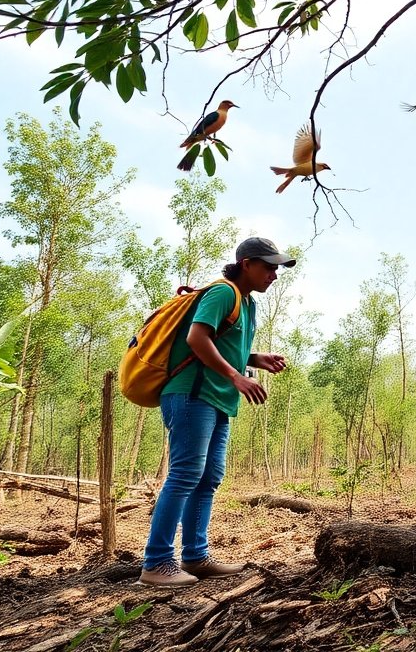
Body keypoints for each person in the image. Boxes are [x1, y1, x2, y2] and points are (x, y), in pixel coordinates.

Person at [139, 237, 293, 587]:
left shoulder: (247, 304)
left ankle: (195, 557)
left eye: (277, 268)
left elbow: (223, 342)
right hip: (193, 394)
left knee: (208, 479)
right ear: (246, 264)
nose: (274, 274)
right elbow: (196, 339)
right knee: (184, 475)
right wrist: (237, 376)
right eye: (268, 266)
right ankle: (157, 563)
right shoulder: (223, 292)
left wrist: (255, 359)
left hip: (217, 399)